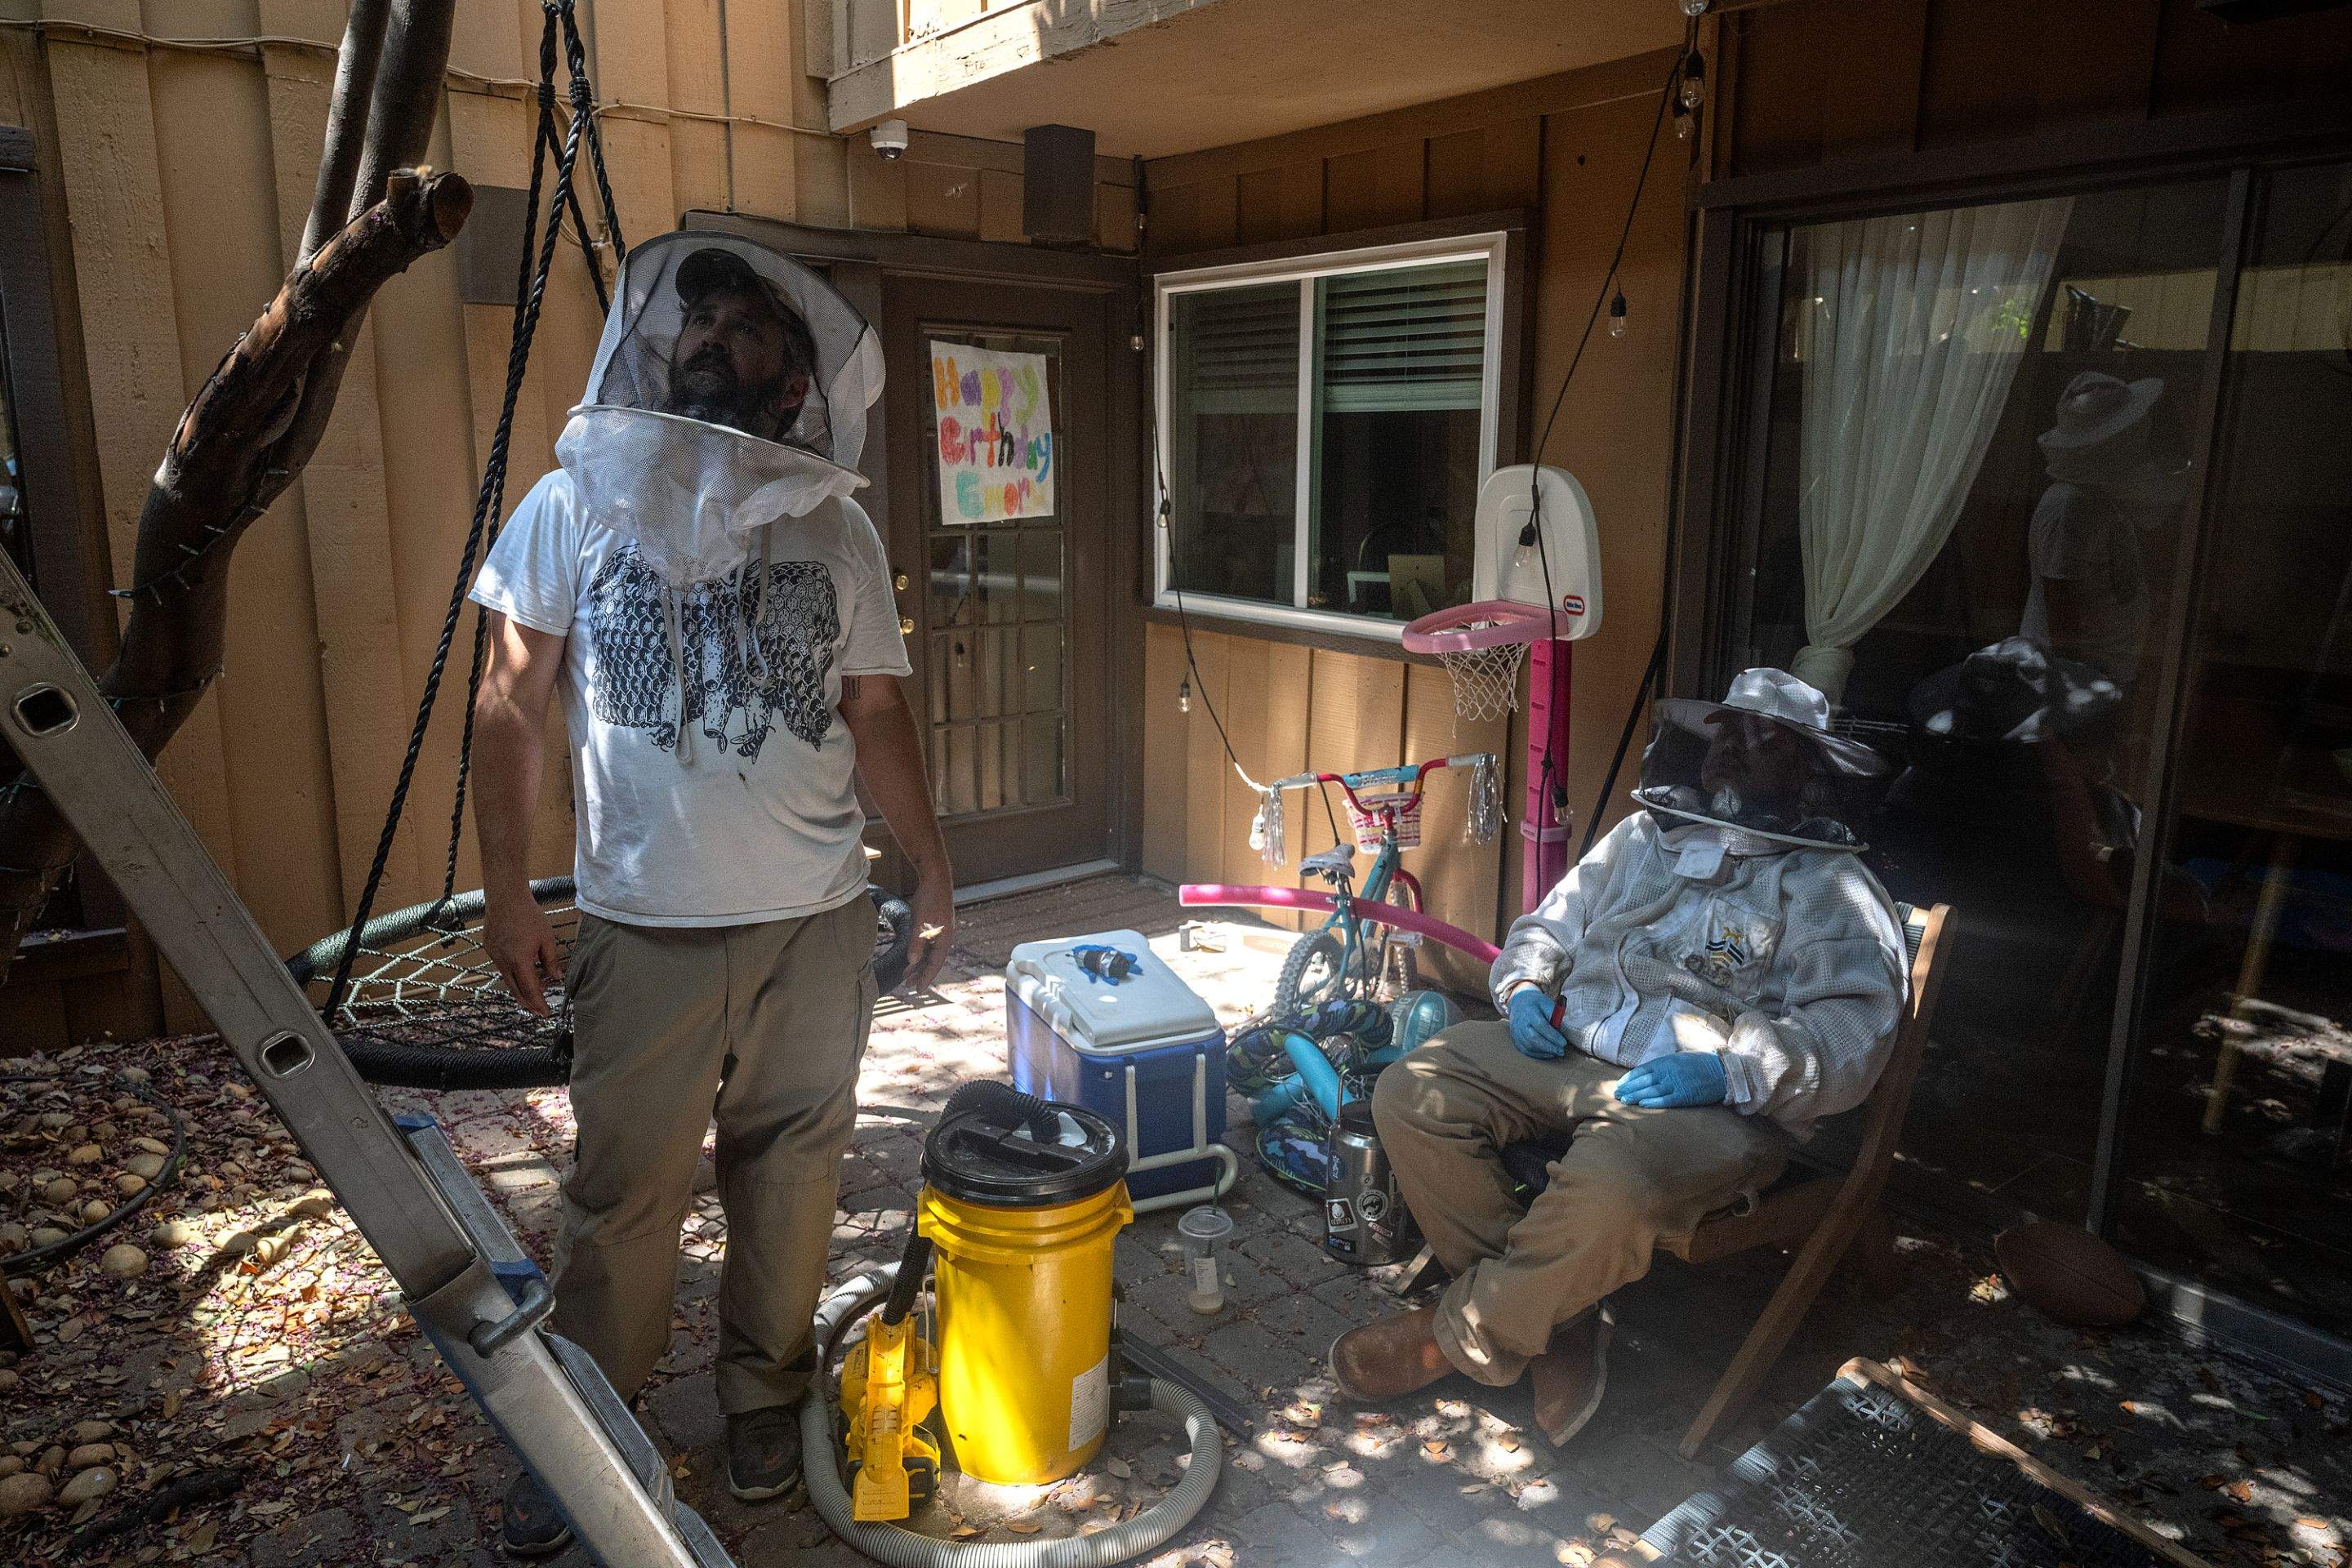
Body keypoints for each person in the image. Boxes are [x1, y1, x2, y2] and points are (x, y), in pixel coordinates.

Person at [468, 234, 952, 1556]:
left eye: (749, 330)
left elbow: (876, 714)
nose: (713, 340)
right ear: (660, 349)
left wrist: (931, 858)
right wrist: (508, 896)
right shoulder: (572, 506)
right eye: (702, 321)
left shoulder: (834, 523)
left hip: (816, 920)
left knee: (792, 1176)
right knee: (623, 1197)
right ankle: (593, 1431)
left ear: (797, 385)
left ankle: (762, 1401)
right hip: (644, 928)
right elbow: (509, 708)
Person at [1327, 669, 1907, 1445]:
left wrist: (1734, 1068)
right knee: (1413, 1089)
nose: (1729, 750)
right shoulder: (1644, 837)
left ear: (1810, 770)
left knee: (1614, 1184)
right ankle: (1552, 1323)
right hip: (1572, 1047)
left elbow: (1851, 1031)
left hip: (1714, 1102)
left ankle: (1459, 1337)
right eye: (1723, 732)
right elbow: (1549, 923)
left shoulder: (1832, 889)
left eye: (1759, 740)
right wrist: (1528, 986)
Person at [2019, 371, 2189, 684]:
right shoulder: (2069, 506)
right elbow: (2061, 606)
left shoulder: (2102, 498)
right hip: (2079, 678)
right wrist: (2073, 683)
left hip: (2106, 672)